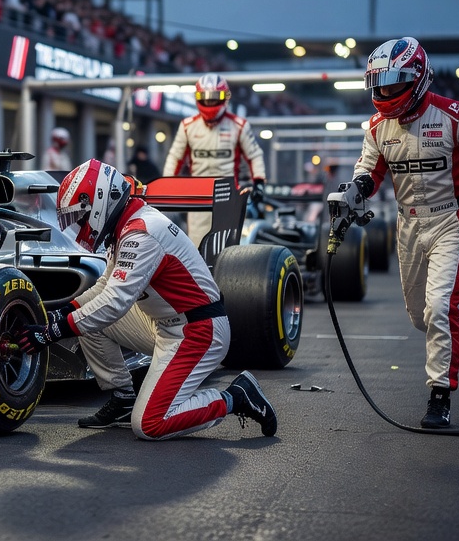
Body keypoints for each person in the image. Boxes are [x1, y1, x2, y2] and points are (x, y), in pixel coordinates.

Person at [15, 159, 278, 440]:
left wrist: (53, 331)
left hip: (198, 331)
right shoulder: (125, 226)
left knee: (150, 424)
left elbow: (114, 303)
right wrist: (59, 315)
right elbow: (104, 287)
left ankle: (235, 397)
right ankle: (124, 398)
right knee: (87, 318)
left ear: (101, 200)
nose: (80, 225)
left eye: (81, 216)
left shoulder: (141, 232)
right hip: (165, 324)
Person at [331, 37, 459, 429]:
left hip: (452, 220)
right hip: (408, 223)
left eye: (395, 83)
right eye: (380, 83)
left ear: (418, 77)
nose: (386, 92)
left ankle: (439, 396)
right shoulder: (378, 126)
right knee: (420, 316)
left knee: (440, 308)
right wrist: (356, 189)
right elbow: (368, 170)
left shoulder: (455, 114)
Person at [162, 73, 266, 249]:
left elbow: (254, 155)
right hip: (197, 196)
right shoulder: (187, 126)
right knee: (196, 245)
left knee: (228, 246)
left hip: (229, 194)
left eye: (214, 98)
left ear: (225, 98)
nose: (210, 103)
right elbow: (175, 157)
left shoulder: (239, 125)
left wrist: (259, 182)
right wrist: (166, 186)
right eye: (205, 98)